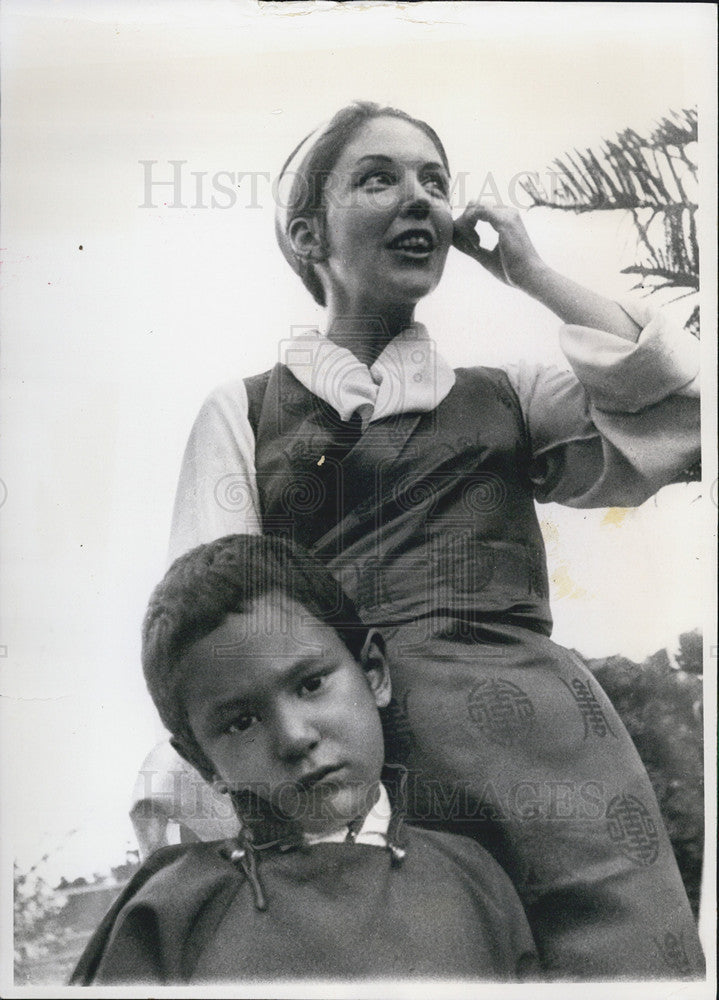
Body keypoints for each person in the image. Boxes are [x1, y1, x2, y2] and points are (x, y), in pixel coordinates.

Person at [145, 102, 703, 977]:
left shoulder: (507, 392)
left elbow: (679, 415)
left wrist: (531, 274)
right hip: (356, 759)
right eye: (379, 178)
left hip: (550, 748)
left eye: (434, 182)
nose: (420, 200)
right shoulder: (245, 411)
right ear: (306, 232)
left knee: (619, 966)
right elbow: (204, 617)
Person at [72, 535, 540, 984]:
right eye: (241, 722)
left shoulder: (471, 876)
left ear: (374, 673)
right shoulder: (172, 910)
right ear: (203, 763)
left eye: (311, 684)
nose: (294, 738)